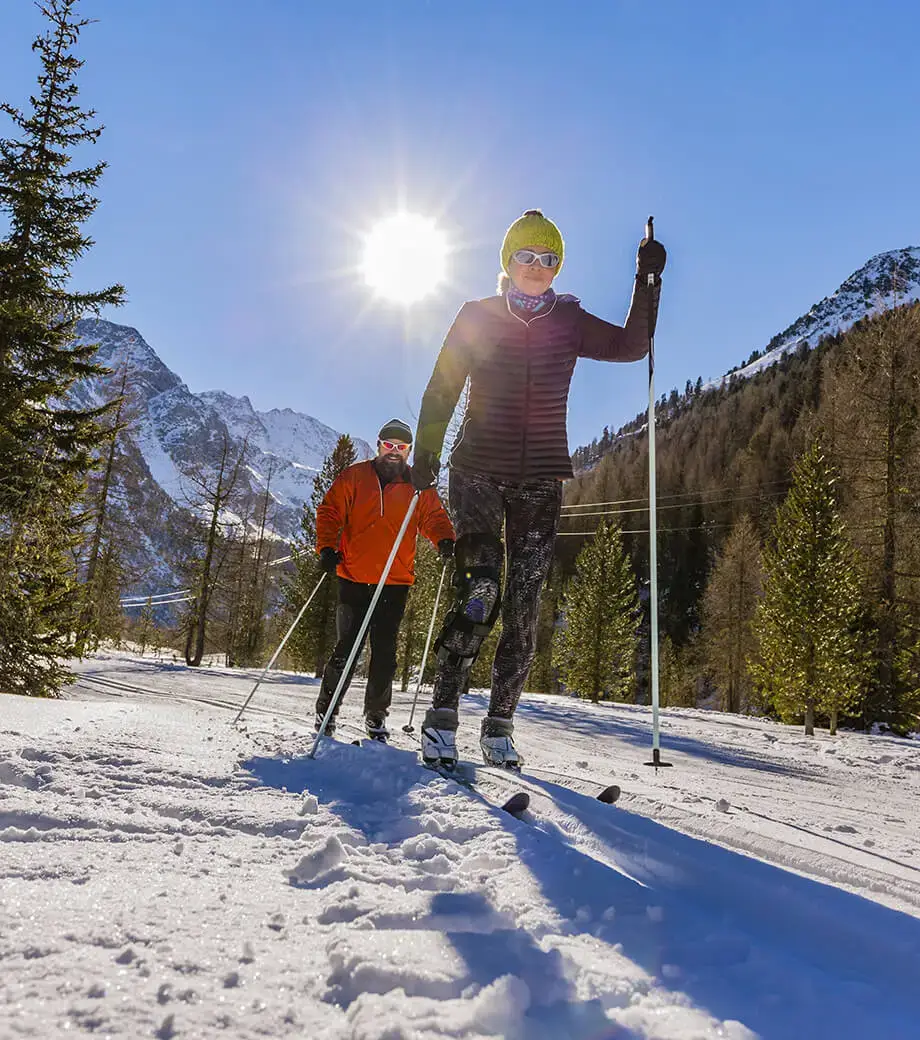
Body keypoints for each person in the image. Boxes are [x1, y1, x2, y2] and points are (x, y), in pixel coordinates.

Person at [410, 209, 666, 769]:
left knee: (524, 607)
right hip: (478, 469)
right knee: (480, 592)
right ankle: (442, 715)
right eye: (525, 256)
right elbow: (442, 385)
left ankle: (499, 725)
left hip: (542, 479)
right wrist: (425, 450)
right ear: (508, 262)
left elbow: (631, 345)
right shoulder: (477, 315)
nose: (536, 266)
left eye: (548, 258)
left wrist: (647, 281)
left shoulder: (569, 320)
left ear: (557, 267)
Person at [313, 418, 455, 741]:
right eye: (388, 445)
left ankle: (376, 716)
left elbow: (433, 517)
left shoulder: (418, 485)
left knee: (385, 654)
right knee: (347, 650)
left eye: (401, 447)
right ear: (378, 446)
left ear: (409, 451)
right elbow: (330, 511)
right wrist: (326, 547)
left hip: (394, 582)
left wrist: (444, 539)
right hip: (353, 577)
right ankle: (327, 710)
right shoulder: (355, 477)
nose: (394, 451)